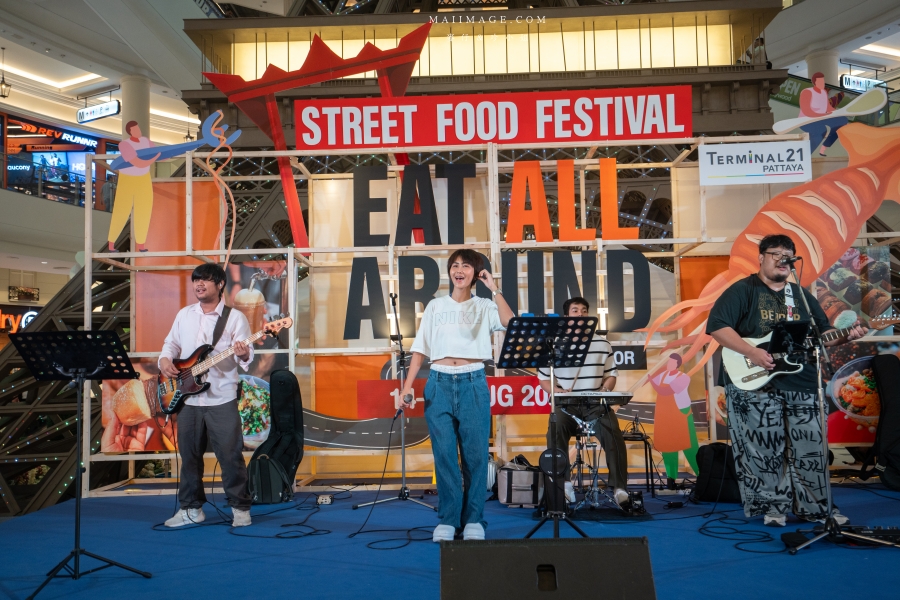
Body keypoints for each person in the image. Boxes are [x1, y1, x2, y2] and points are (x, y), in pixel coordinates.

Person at [707, 234, 867, 527]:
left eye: (788, 255)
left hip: (802, 380)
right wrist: (751, 352)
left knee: (810, 449)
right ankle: (773, 507)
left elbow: (823, 335)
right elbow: (717, 327)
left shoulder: (801, 295)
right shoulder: (743, 290)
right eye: (776, 253)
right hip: (755, 381)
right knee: (763, 448)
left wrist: (847, 334)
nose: (783, 259)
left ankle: (817, 508)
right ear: (761, 257)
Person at [399, 249, 513, 542]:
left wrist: (494, 287)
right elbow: (420, 349)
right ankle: (449, 518)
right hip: (438, 382)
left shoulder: (485, 305)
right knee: (445, 455)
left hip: (473, 381)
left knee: (476, 455)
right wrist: (407, 386)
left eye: (466, 266)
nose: (459, 270)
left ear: (476, 273)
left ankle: (474, 518)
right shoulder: (436, 306)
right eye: (454, 265)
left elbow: (510, 321)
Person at [159, 263, 254, 528]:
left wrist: (243, 353)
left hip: (221, 398)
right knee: (188, 456)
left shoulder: (235, 318)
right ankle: (191, 509)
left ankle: (240, 508)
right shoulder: (184, 315)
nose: (199, 285)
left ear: (220, 284)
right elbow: (171, 344)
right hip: (188, 399)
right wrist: (165, 360)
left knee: (230, 456)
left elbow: (246, 356)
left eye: (205, 280)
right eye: (196, 280)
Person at [538, 297, 629, 506]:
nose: (580, 314)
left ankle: (619, 488)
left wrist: (605, 390)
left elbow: (611, 374)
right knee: (555, 428)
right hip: (567, 404)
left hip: (595, 404)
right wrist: (558, 390)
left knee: (612, 431)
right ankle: (564, 485)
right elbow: (543, 378)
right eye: (575, 310)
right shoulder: (554, 344)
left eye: (584, 310)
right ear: (567, 317)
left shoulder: (602, 343)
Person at [107, 121, 160, 252]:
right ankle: (111, 243)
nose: (138, 131)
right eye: (135, 129)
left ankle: (141, 244)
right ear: (130, 131)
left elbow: (158, 154)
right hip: (127, 180)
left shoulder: (146, 141)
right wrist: (155, 158)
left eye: (138, 128)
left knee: (144, 210)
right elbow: (138, 163)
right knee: (121, 210)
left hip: (144, 179)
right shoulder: (124, 145)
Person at [648, 353, 699, 488]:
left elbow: (665, 391)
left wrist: (651, 380)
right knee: (668, 447)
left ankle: (702, 476)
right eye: (668, 362)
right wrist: (651, 375)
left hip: (682, 414)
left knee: (690, 446)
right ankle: (671, 480)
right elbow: (653, 378)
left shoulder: (683, 378)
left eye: (671, 362)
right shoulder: (663, 375)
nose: (669, 364)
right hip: (666, 415)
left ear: (677, 364)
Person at [799, 72, 847, 157]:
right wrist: (822, 115)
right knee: (821, 131)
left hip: (819, 119)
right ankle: (806, 154)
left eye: (823, 81)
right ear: (814, 82)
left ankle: (825, 146)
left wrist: (839, 113)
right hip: (806, 120)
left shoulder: (823, 93)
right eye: (820, 82)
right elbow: (807, 111)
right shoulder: (807, 92)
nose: (822, 83)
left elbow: (829, 108)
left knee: (841, 121)